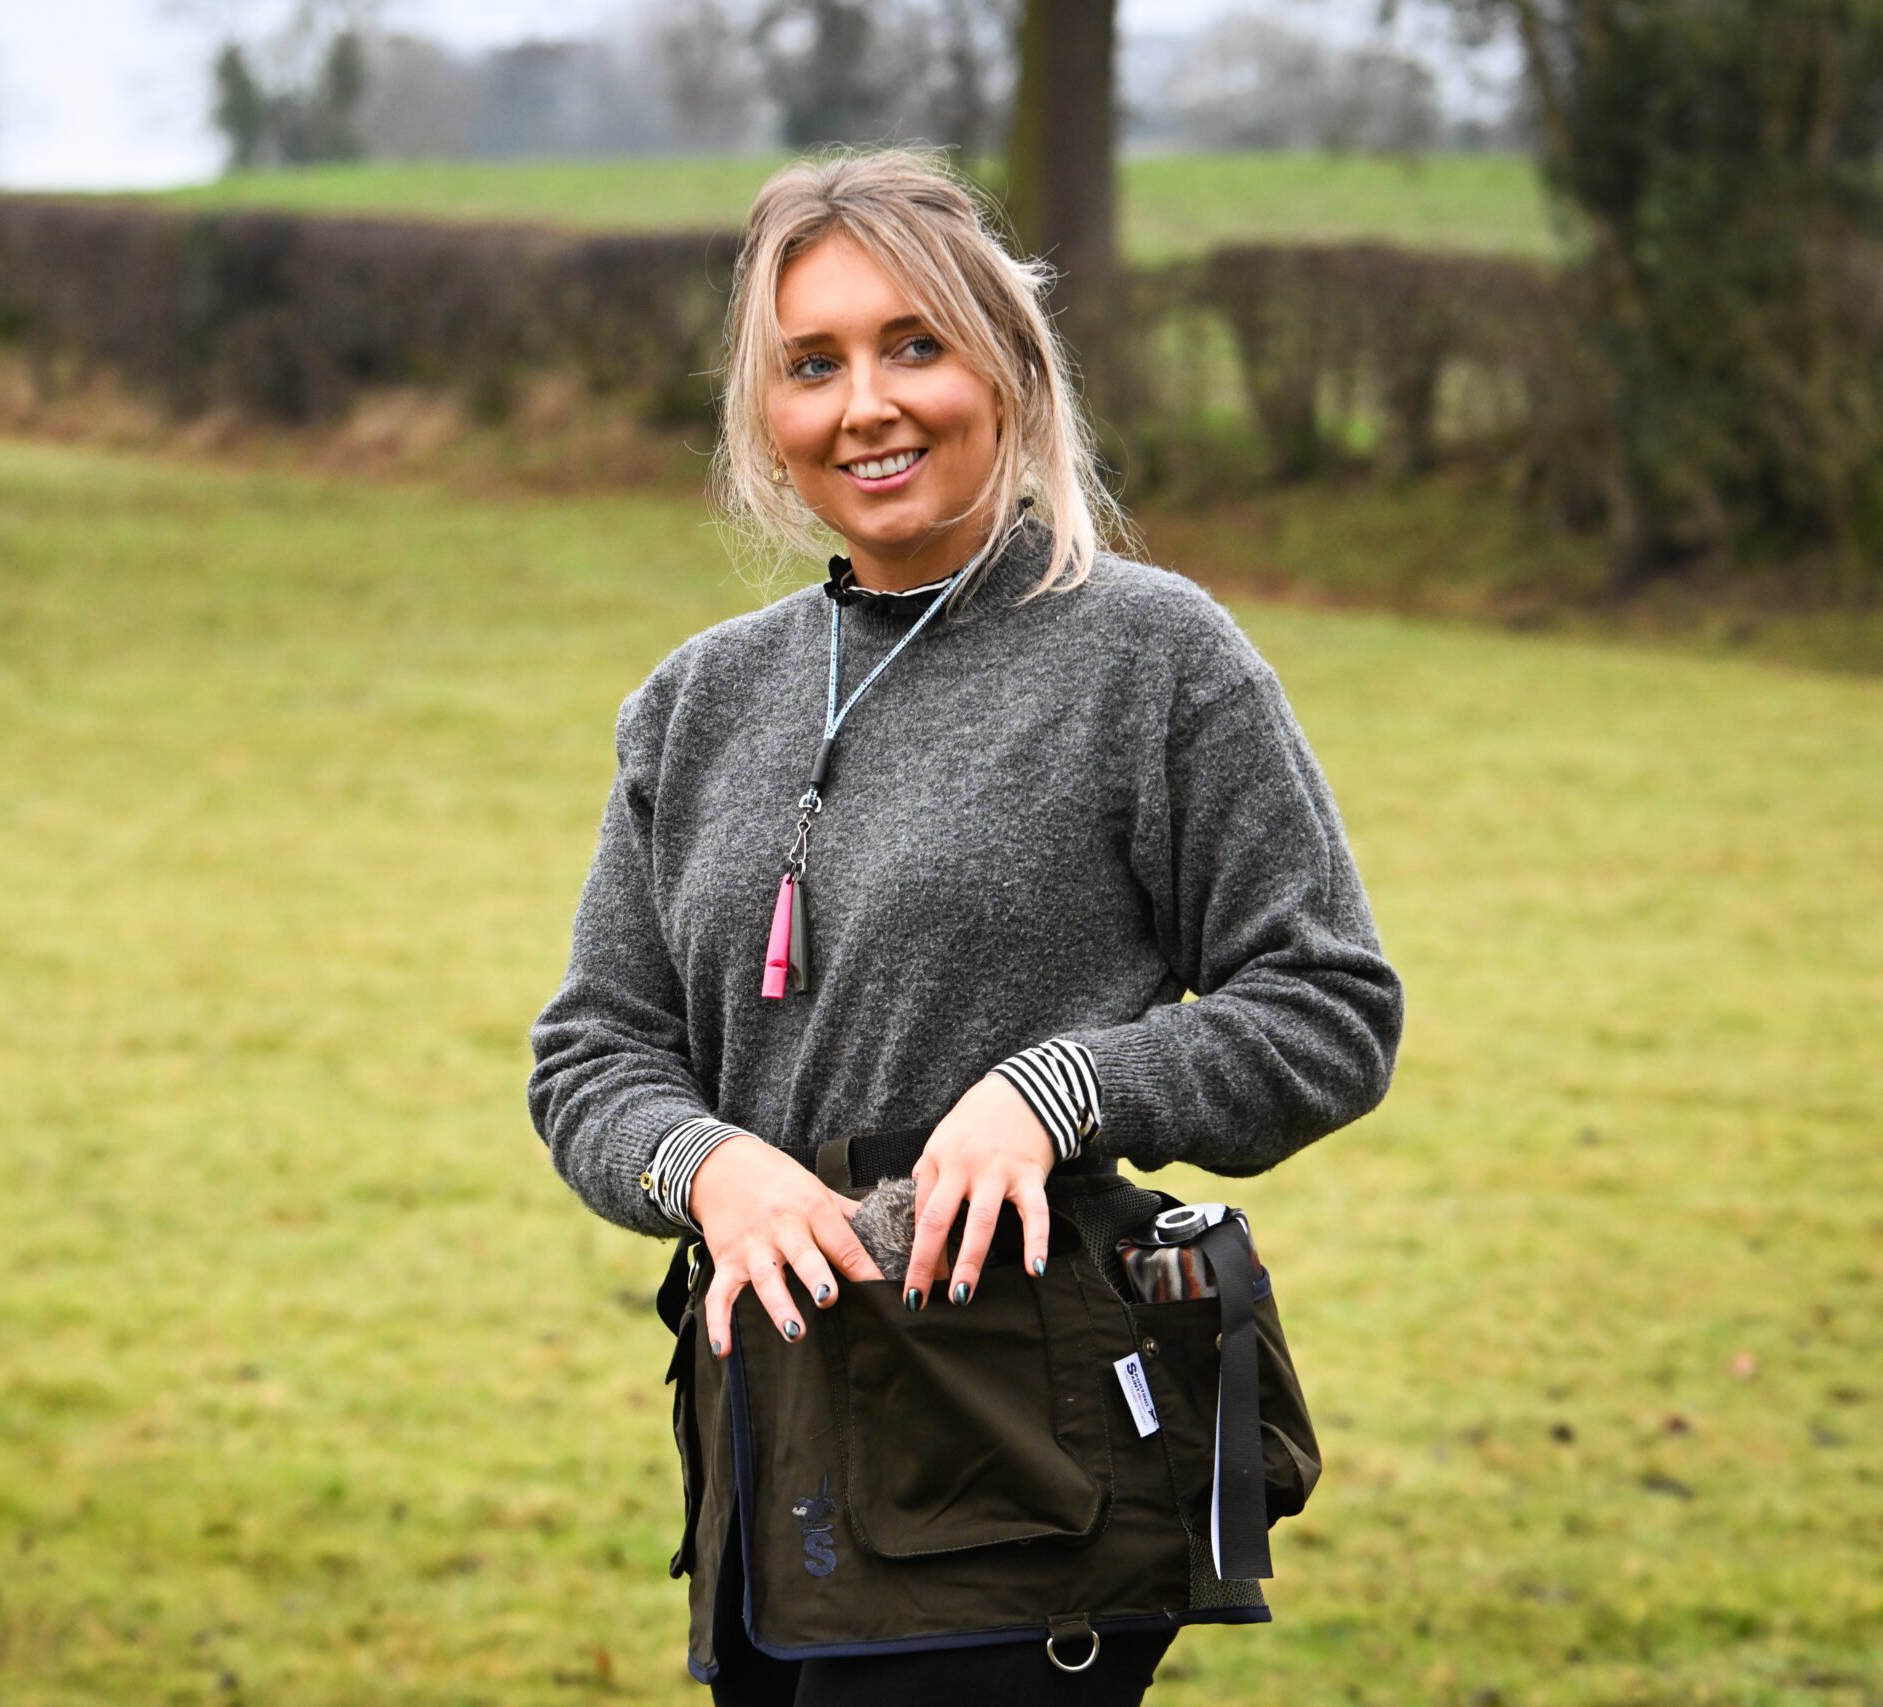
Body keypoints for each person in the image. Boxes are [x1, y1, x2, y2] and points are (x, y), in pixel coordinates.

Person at [526, 145, 1404, 1705]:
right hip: (767, 1453)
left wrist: (1059, 1090)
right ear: (768, 420)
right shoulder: (696, 701)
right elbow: (595, 1052)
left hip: (1028, 1452)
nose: (866, 404)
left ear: (1008, 373)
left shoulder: (1150, 660)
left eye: (913, 345)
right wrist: (705, 1164)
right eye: (814, 364)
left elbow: (1328, 1005)